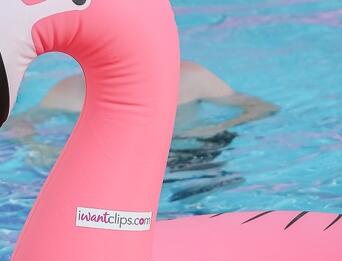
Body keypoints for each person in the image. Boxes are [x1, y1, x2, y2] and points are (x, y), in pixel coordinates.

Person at [3, 60, 278, 196]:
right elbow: (15, 124)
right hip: (115, 166)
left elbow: (262, 108)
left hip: (193, 153)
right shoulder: (71, 91)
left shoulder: (189, 77)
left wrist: (218, 126)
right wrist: (36, 146)